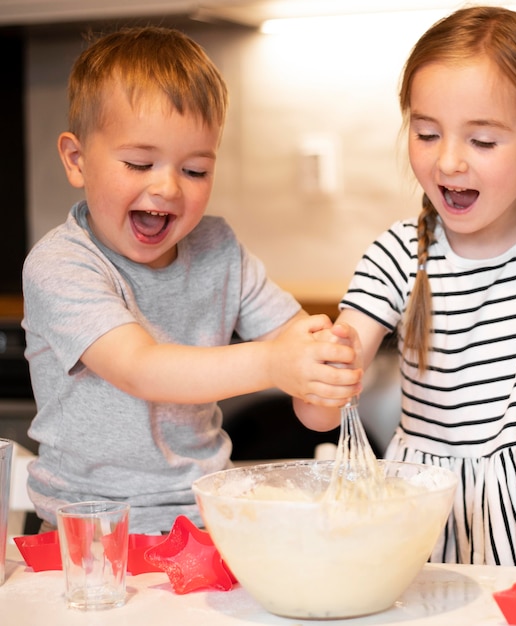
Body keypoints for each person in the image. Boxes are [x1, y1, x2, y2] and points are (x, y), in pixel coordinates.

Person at [295, 6, 516, 574]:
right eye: (426, 133)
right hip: (424, 509)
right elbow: (318, 414)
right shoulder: (397, 254)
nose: (448, 160)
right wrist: (320, 375)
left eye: (483, 141)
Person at [21, 26, 361, 534]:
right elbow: (142, 369)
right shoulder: (62, 264)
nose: (167, 187)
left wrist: (323, 376)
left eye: (196, 170)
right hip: (91, 533)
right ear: (77, 160)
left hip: (206, 521)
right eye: (139, 163)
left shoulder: (218, 249)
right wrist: (275, 362)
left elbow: (297, 351)